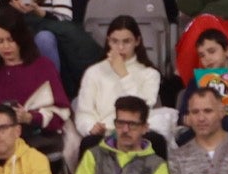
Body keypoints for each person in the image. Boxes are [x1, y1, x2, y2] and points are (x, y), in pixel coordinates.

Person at [71, 18, 168, 150]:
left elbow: (142, 108)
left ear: (137, 41)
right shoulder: (93, 72)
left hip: (136, 134)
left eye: (126, 41)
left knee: (155, 140)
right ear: (108, 41)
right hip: (103, 135)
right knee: (89, 142)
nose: (120, 48)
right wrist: (90, 127)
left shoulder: (150, 74)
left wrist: (123, 73)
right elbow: (83, 112)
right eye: (115, 41)